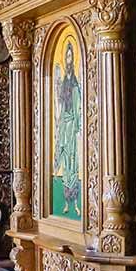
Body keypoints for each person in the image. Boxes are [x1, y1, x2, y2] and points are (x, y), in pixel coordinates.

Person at [53, 39, 81, 216]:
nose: (69, 59)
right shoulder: (64, 80)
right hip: (64, 122)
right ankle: (65, 202)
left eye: (71, 56)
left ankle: (76, 203)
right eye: (67, 56)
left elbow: (77, 101)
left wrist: (77, 123)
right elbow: (61, 103)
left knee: (73, 160)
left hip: (73, 124)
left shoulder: (75, 81)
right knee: (63, 156)